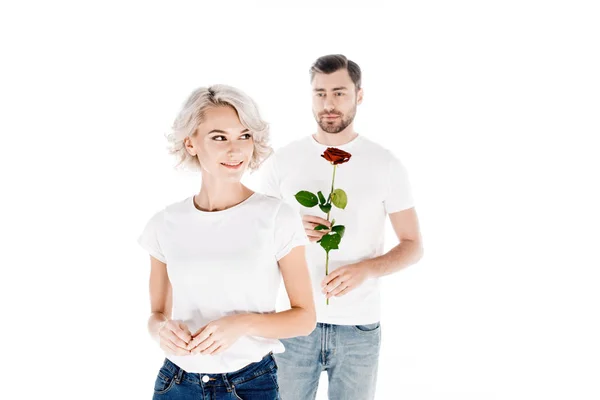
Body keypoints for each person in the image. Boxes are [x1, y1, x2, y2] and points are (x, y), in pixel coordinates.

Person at [258, 55, 424, 400]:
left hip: (359, 328)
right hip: (293, 322)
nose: (328, 104)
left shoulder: (386, 164)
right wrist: (292, 231)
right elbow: (254, 240)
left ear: (359, 96)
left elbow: (412, 245)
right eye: (320, 94)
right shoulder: (283, 161)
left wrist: (366, 269)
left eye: (339, 93)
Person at [138, 84, 316, 399]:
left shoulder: (276, 216)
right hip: (176, 383)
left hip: (249, 383)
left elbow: (304, 318)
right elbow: (156, 315)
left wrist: (241, 324)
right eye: (219, 137)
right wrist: (162, 331)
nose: (235, 150)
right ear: (190, 142)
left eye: (244, 136)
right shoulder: (165, 223)